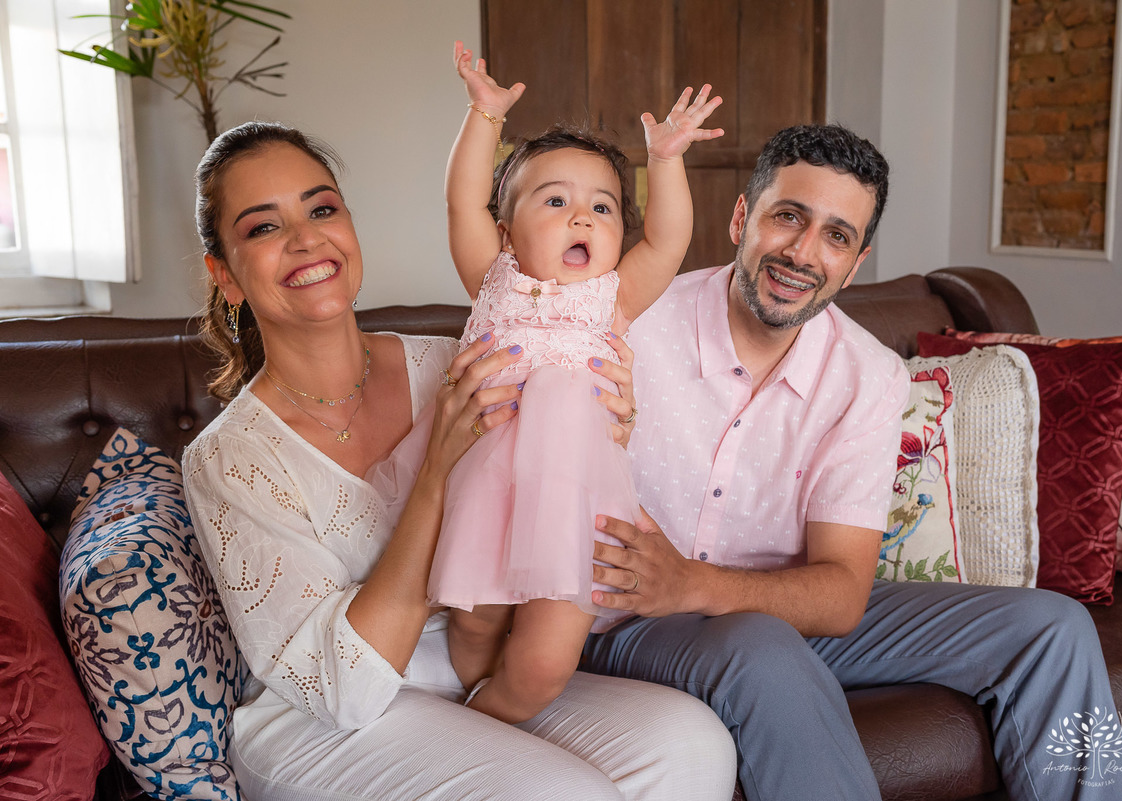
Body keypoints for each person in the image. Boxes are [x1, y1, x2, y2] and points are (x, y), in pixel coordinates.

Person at [580, 123, 1122, 801]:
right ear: (741, 217)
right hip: (630, 619)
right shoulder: (630, 321)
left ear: (855, 262)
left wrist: (694, 583)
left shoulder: (869, 375)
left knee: (1053, 629)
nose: (802, 253)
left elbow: (843, 593)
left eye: (837, 236)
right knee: (761, 647)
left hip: (771, 607)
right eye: (788, 216)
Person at [180, 120, 736, 801]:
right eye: (264, 227)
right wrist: (435, 474)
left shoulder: (457, 362)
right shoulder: (228, 458)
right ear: (225, 275)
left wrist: (605, 430)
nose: (305, 239)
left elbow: (550, 476)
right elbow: (340, 690)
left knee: (693, 744)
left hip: (472, 669)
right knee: (554, 793)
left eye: (321, 209)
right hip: (327, 717)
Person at [387, 41, 722, 725]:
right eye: (556, 200)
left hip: (575, 507)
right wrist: (484, 117)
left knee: (542, 664)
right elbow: (461, 202)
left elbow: (669, 240)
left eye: (603, 207)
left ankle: (498, 721)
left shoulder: (613, 298)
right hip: (487, 492)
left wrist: (665, 161)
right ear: (507, 233)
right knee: (474, 627)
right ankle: (478, 715)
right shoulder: (494, 277)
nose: (582, 217)